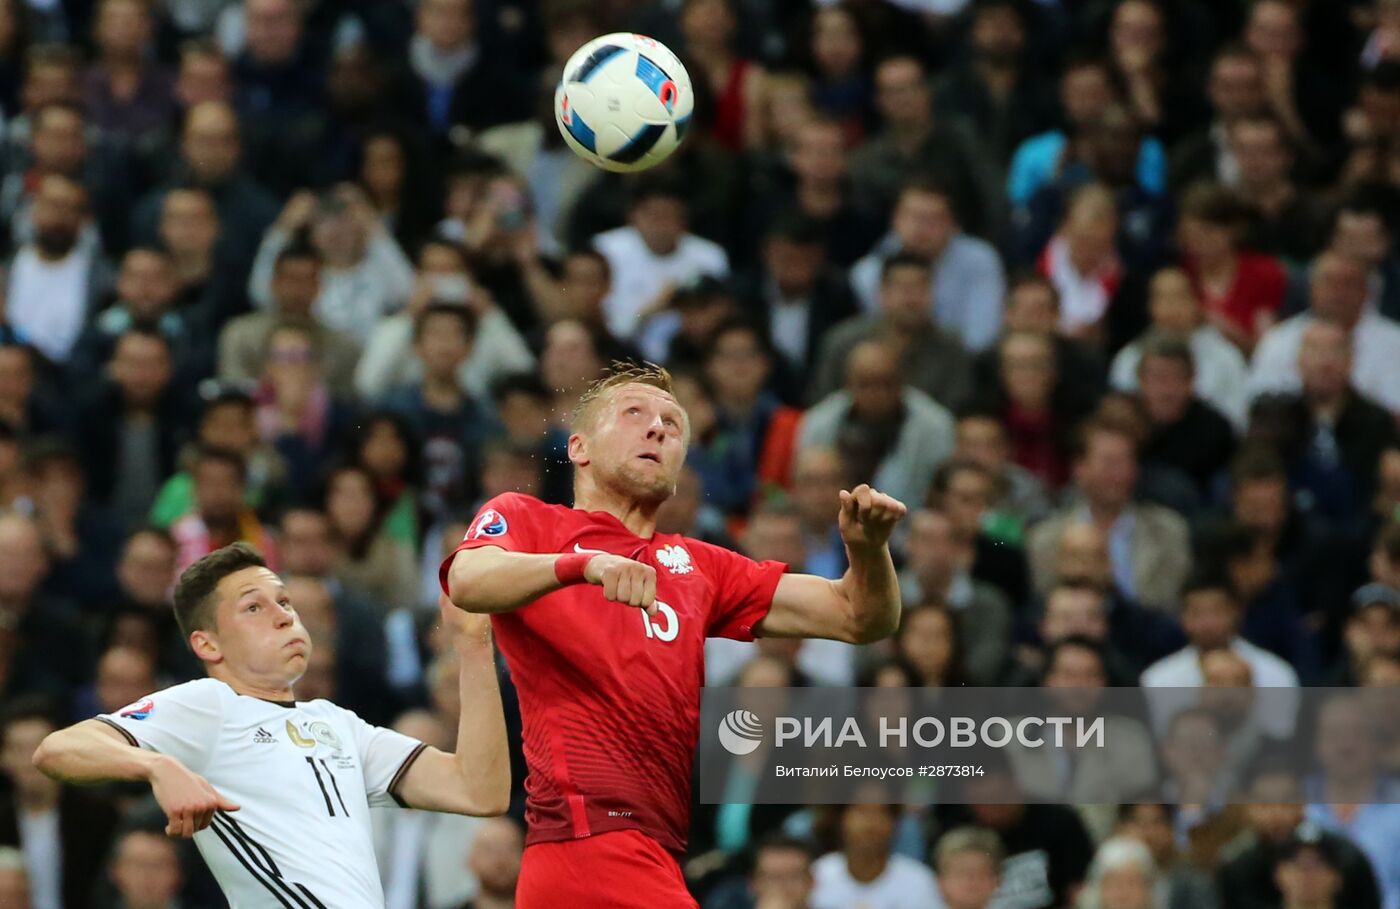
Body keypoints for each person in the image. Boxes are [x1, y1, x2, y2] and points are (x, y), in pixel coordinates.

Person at [440, 362, 907, 907]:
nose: (659, 429)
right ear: (580, 448)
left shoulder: (699, 566)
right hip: (589, 845)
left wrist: (869, 551)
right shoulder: (530, 520)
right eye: (635, 414)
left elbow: (861, 617)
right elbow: (468, 579)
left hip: (647, 854)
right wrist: (581, 566)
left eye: (673, 424)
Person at [34, 543, 511, 907]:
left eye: (284, 601)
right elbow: (57, 750)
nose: (283, 615)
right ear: (208, 645)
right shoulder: (211, 704)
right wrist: (157, 766)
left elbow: (478, 791)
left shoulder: (339, 724)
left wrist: (473, 645)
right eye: (254, 607)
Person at [0, 699, 120, 909]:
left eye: (38, 746)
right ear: (4, 758)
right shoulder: (2, 822)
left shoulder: (98, 817)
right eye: (19, 749)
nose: (31, 760)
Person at [810, 803, 942, 909]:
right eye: (862, 811)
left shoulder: (919, 881)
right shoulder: (818, 875)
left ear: (895, 823)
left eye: (882, 813)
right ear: (842, 819)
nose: (871, 824)